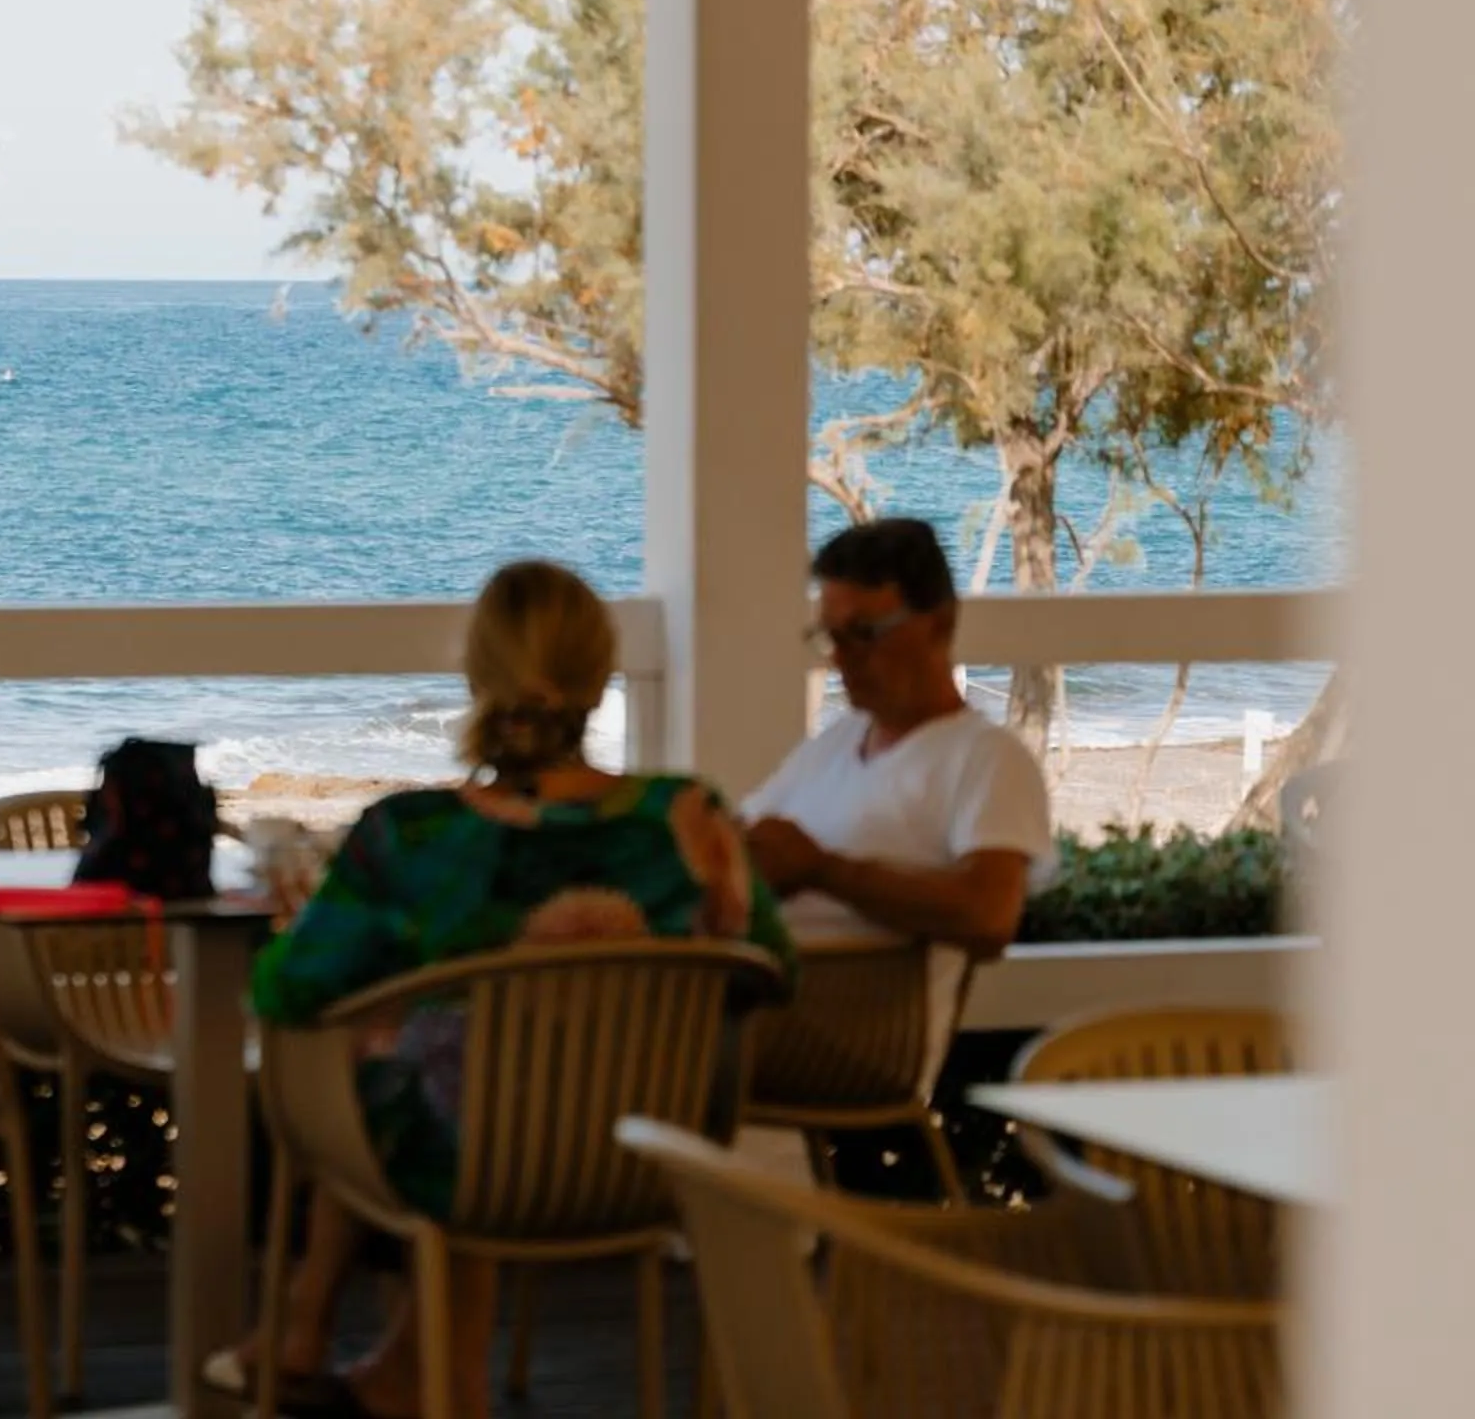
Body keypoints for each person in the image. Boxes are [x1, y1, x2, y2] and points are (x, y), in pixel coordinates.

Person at [227, 560, 793, 1419]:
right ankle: (398, 1368)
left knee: (406, 1063)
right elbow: (774, 967)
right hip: (650, 1152)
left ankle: (306, 1321)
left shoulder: (415, 834)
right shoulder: (688, 818)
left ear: (477, 676)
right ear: (600, 679)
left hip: (471, 1158)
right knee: (470, 1068)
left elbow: (286, 991)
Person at [744, 518, 1057, 1025]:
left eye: (864, 634)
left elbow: (988, 917)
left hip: (852, 1049)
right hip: (758, 1025)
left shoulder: (986, 759)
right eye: (830, 637)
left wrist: (824, 871)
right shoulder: (836, 744)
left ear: (939, 625)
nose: (841, 659)